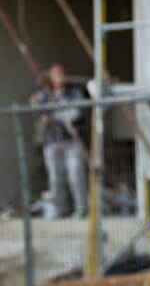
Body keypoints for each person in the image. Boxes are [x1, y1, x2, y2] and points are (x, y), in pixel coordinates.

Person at [29, 64, 88, 219]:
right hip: (52, 142)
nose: (59, 78)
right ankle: (60, 209)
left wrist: (54, 117)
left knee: (76, 175)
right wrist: (36, 100)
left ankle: (81, 208)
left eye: (62, 74)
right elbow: (36, 110)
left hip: (71, 141)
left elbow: (75, 113)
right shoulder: (45, 94)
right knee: (55, 178)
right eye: (56, 75)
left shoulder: (74, 93)